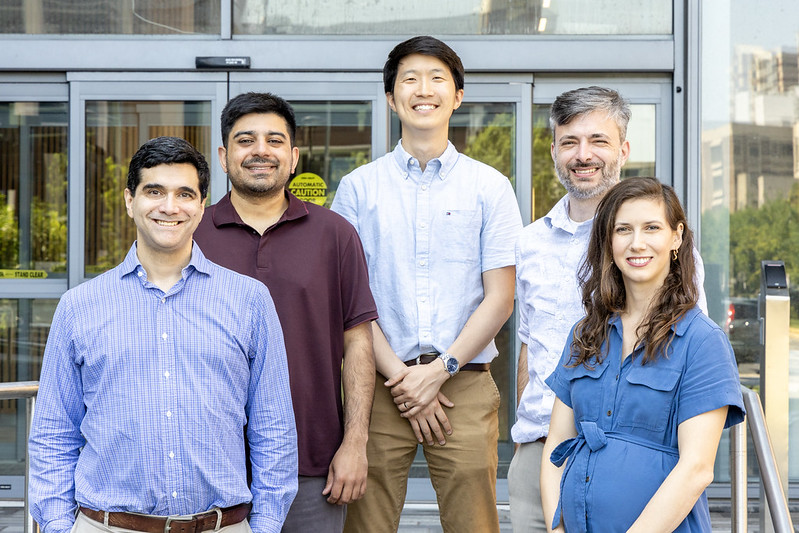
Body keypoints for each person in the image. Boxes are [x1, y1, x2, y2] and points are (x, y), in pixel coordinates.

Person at [28, 136, 298, 533]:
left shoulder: (249, 300)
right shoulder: (79, 306)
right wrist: (55, 524)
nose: (170, 207)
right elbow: (53, 432)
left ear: (202, 205)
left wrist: (267, 524)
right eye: (154, 191)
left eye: (185, 194)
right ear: (129, 200)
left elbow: (273, 427)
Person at [331, 36, 522, 533]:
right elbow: (349, 299)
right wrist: (403, 379)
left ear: (457, 96)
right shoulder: (358, 188)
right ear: (391, 98)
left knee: (474, 523)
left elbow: (501, 296)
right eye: (409, 79)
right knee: (363, 524)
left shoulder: (489, 186)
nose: (424, 89)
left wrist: (439, 371)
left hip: (463, 384)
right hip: (377, 388)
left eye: (437, 78)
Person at [508, 86, 708, 532]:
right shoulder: (529, 243)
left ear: (623, 148)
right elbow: (529, 346)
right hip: (544, 455)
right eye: (569, 142)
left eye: (598, 140)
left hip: (637, 457)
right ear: (555, 150)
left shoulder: (660, 247)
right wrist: (530, 437)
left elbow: (687, 349)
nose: (584, 155)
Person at [193, 92, 377, 533]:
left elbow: (358, 344)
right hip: (205, 465)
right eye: (245, 140)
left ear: (293, 157)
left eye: (274, 140)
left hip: (311, 464)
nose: (260, 151)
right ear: (223, 155)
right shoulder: (189, 233)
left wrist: (354, 443)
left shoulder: (335, 234)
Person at [540, 177, 745, 532]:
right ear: (608, 240)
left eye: (652, 228)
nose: (637, 243)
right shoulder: (585, 333)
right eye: (623, 230)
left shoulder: (702, 341)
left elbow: (696, 468)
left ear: (676, 237)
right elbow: (556, 444)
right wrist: (557, 528)